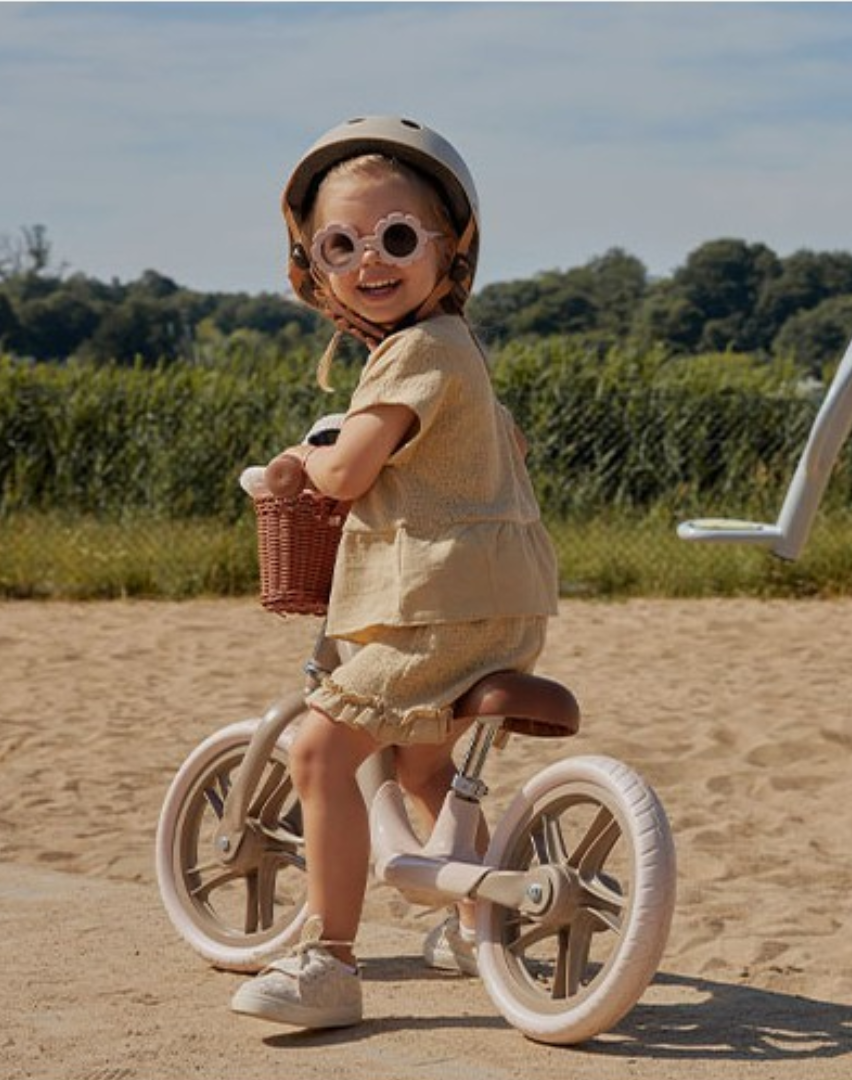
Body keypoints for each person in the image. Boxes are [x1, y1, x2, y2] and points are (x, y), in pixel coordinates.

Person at [231, 116, 559, 1030]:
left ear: (450, 249)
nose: (370, 261)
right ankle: (471, 922)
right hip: (502, 604)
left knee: (318, 751)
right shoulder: (461, 353)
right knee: (421, 768)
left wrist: (305, 455)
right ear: (316, 264)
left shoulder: (416, 351)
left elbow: (347, 471)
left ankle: (328, 961)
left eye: (398, 238)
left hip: (431, 608)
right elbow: (501, 448)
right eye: (342, 245)